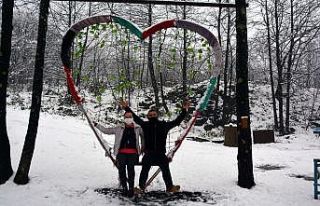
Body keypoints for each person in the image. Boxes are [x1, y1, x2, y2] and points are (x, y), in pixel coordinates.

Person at [120, 100, 190, 193]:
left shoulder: (164, 125)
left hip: (161, 154)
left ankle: (169, 187)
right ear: (148, 117)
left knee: (166, 169)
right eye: (151, 115)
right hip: (149, 153)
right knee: (145, 169)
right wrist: (126, 108)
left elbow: (177, 121)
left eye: (154, 114)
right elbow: (136, 118)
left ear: (157, 115)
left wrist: (184, 110)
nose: (152, 116)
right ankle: (141, 187)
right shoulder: (145, 125)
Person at [93, 111, 144, 197]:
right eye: (126, 117)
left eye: (130, 117)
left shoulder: (138, 128)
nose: (128, 119)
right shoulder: (118, 127)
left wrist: (143, 146)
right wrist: (96, 125)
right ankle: (124, 188)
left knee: (131, 169)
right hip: (121, 152)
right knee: (121, 168)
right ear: (124, 119)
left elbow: (144, 136)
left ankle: (131, 188)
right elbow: (106, 130)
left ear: (132, 118)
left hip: (134, 153)